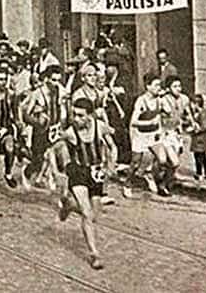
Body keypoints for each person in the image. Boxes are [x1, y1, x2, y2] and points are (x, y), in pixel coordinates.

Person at [57, 98, 117, 269]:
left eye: (80, 115)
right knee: (87, 212)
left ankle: (68, 205)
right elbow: (56, 148)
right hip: (78, 172)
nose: (76, 118)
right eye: (74, 114)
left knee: (93, 215)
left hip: (96, 173)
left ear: (89, 116)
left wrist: (111, 166)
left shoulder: (100, 127)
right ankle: (94, 253)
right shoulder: (70, 132)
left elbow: (113, 147)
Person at [123, 73, 163, 198]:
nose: (158, 87)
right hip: (140, 135)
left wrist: (159, 131)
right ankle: (127, 184)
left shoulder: (158, 100)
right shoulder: (141, 101)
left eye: (159, 85)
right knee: (135, 162)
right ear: (148, 86)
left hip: (153, 134)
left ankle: (148, 174)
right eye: (156, 85)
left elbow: (159, 118)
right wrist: (148, 123)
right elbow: (133, 122)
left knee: (161, 159)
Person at [190, 94, 206, 180]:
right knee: (203, 156)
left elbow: (205, 126)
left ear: (196, 103)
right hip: (198, 138)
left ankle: (200, 173)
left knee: (199, 156)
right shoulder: (197, 112)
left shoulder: (202, 112)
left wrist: (196, 129)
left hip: (200, 139)